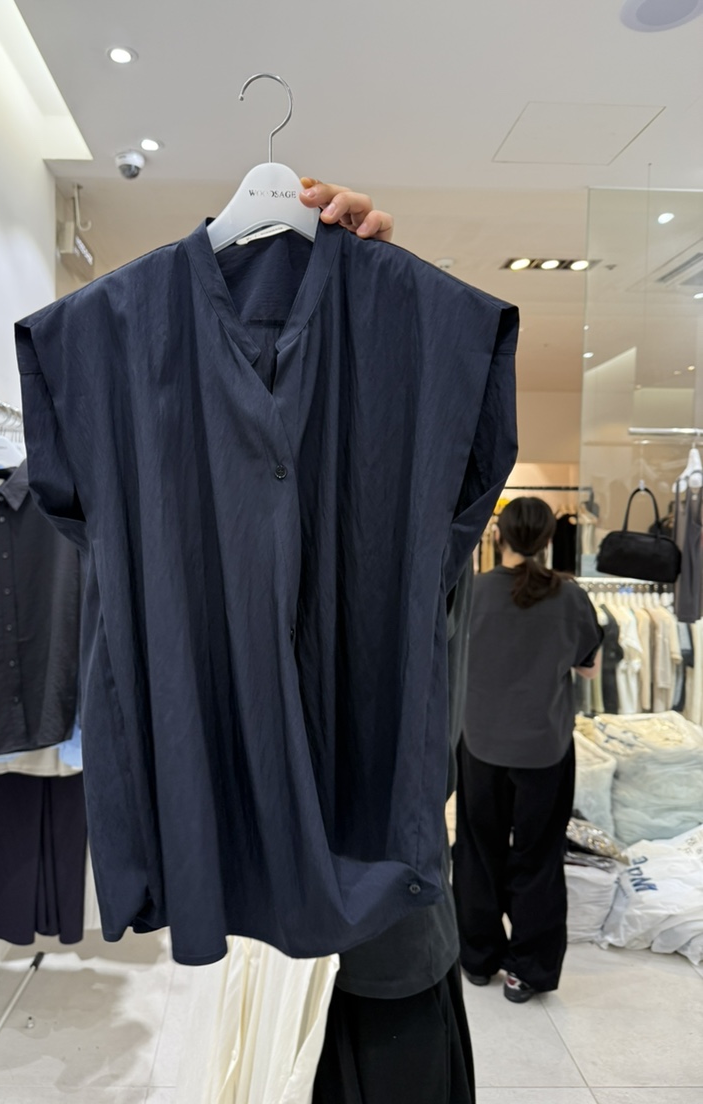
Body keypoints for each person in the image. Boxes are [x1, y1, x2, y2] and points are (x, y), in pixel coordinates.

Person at [298, 181, 476, 1104]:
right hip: (239, 928)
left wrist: (385, 296)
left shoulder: (408, 481)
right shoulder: (170, 416)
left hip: (382, 925)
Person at [453, 497, 603, 1004]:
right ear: (548, 540)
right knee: (538, 856)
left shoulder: (472, 591)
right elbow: (589, 668)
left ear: (498, 536)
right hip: (544, 746)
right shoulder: (570, 596)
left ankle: (477, 959)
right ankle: (528, 971)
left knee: (477, 850)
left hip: (481, 742)